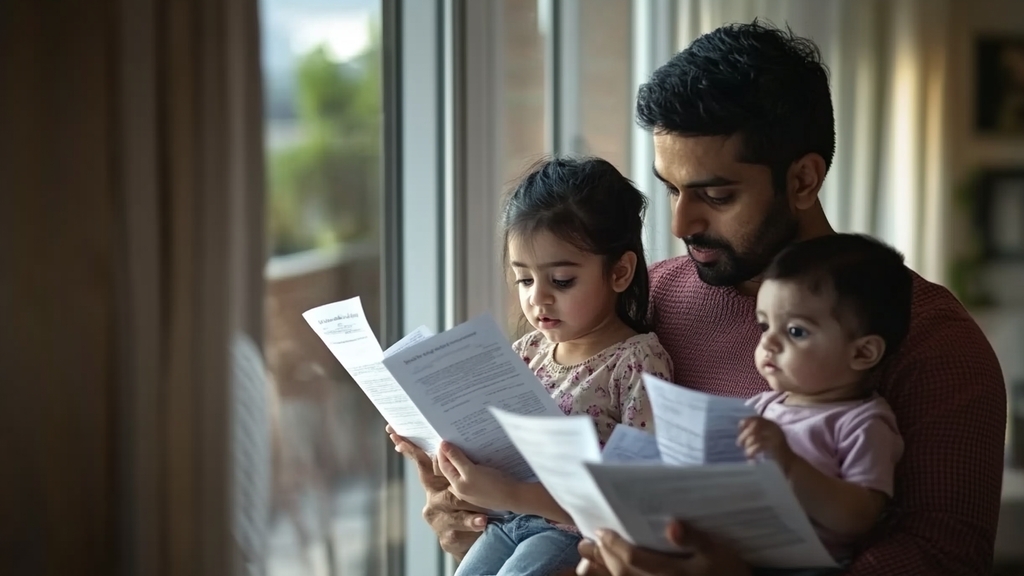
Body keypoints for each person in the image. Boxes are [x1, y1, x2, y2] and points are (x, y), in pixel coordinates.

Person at [399, 20, 1006, 576]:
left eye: (715, 196)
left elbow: (941, 558)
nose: (680, 224)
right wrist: (473, 518)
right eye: (671, 190)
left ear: (803, 179)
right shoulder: (648, 298)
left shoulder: (929, 340)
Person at [391, 157, 673, 576]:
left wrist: (512, 492)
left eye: (561, 281)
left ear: (620, 271)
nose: (538, 299)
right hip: (504, 521)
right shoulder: (527, 352)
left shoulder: (636, 364)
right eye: (525, 280)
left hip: (571, 533)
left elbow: (637, 500)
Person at [736, 234, 911, 573]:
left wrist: (788, 462)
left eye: (796, 331)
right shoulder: (761, 406)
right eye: (764, 325)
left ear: (861, 352)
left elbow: (857, 517)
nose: (769, 342)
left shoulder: (863, 423)